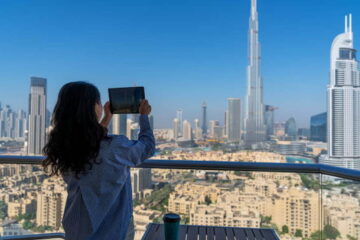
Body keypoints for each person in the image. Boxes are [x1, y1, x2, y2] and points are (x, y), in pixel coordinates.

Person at [43, 81, 155, 240]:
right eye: (98, 102)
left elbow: (91, 142)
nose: (101, 106)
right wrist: (143, 116)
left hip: (77, 228)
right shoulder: (115, 146)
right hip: (114, 229)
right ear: (92, 107)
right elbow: (148, 147)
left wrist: (106, 119)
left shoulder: (64, 146)